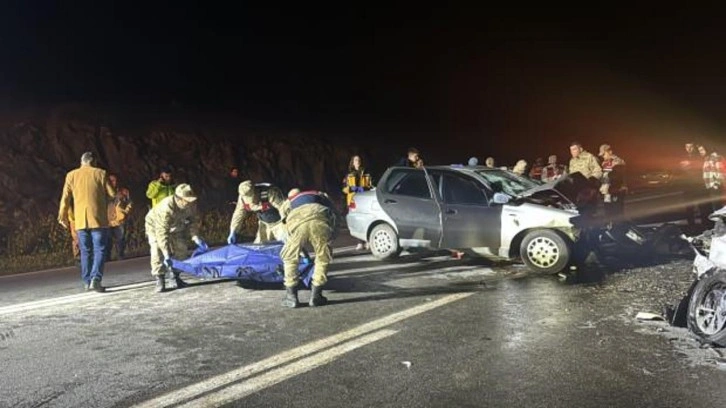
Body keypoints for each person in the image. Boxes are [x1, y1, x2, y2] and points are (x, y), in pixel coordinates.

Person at [57, 152, 115, 292]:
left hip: (80, 220)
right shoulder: (101, 173)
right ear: (93, 161)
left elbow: (65, 198)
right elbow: (112, 193)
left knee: (85, 251)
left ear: (82, 162)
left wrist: (62, 216)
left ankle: (87, 281)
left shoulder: (71, 175)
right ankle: (96, 278)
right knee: (100, 249)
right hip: (98, 219)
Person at [145, 183, 208, 293]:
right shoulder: (166, 207)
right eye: (186, 200)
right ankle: (160, 278)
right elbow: (161, 232)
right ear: (178, 199)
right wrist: (166, 254)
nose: (189, 203)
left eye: (191, 200)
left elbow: (192, 221)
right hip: (155, 226)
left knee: (182, 248)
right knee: (157, 250)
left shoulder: (191, 204)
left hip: (177, 224)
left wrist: (195, 237)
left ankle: (175, 275)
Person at [280, 189, 337, 308]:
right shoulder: (320, 194)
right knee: (322, 258)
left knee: (290, 258)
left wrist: (294, 246)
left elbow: (283, 221)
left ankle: (291, 298)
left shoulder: (289, 202)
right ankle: (316, 297)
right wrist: (332, 236)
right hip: (320, 220)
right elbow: (335, 213)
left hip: (297, 223)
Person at [228, 180, 287, 245]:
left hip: (279, 223)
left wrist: (287, 227)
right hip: (264, 224)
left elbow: (284, 208)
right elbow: (238, 213)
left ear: (255, 191)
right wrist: (233, 230)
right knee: (258, 247)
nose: (250, 201)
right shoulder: (243, 197)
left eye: (250, 197)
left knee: (286, 246)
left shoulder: (269, 192)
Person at [342, 155, 373, 250]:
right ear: (353, 162)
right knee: (356, 221)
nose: (358, 161)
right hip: (353, 200)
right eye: (356, 160)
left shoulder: (367, 173)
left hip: (365, 199)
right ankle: (359, 242)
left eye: (359, 160)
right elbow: (344, 189)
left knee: (367, 220)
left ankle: (368, 241)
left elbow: (371, 185)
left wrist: (364, 188)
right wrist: (351, 189)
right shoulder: (349, 174)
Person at [105, 174, 133, 261]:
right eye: (111, 181)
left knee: (121, 239)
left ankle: (120, 255)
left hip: (119, 220)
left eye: (115, 180)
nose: (114, 182)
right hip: (107, 221)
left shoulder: (123, 192)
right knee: (107, 241)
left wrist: (125, 212)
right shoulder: (103, 193)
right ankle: (107, 258)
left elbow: (130, 203)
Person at [598, 144, 627, 219]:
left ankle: (618, 227)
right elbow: (604, 177)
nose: (603, 156)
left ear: (610, 152)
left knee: (617, 212)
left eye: (604, 154)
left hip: (616, 190)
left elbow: (617, 178)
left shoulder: (618, 162)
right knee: (608, 211)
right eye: (602, 155)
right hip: (607, 192)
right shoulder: (604, 163)